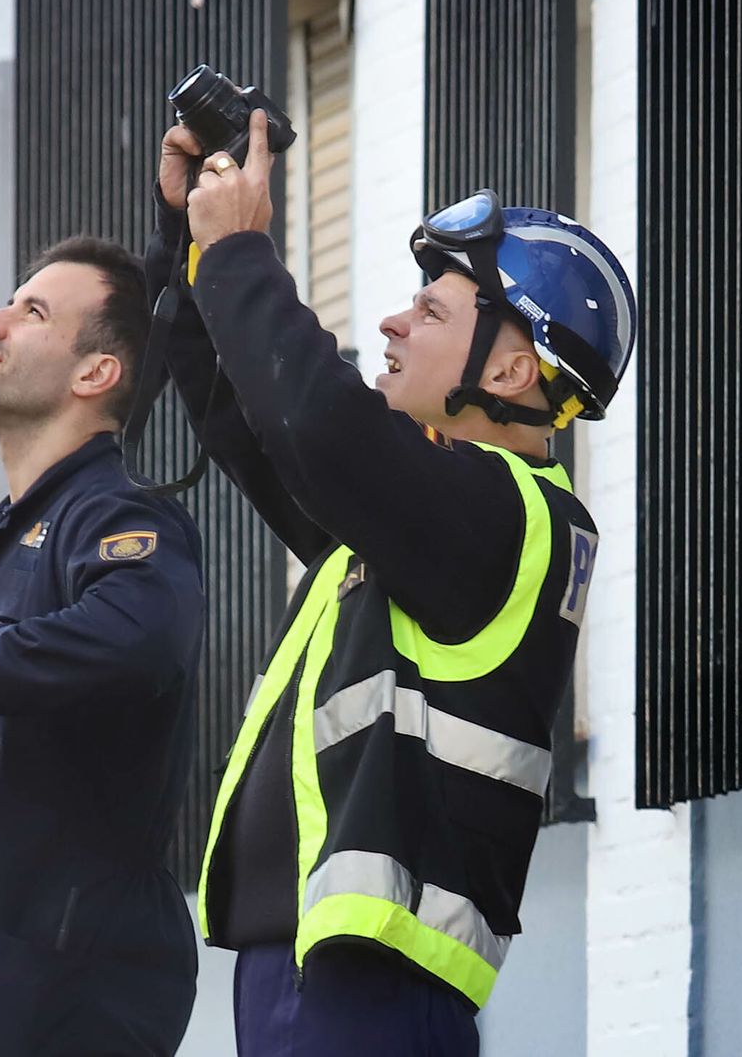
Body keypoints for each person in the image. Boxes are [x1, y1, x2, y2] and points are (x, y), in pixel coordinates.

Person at [152, 113, 636, 1055]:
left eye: (433, 310)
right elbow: (250, 415)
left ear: (508, 365)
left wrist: (245, 246)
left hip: (368, 989)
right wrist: (190, 242)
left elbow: (316, 424)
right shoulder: (419, 515)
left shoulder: (503, 515)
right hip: (312, 970)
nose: (392, 319)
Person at [0, 236, 207, 1056]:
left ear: (94, 373)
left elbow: (143, 633)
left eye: (30, 311)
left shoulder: (117, 515)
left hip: (75, 987)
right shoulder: (25, 528)